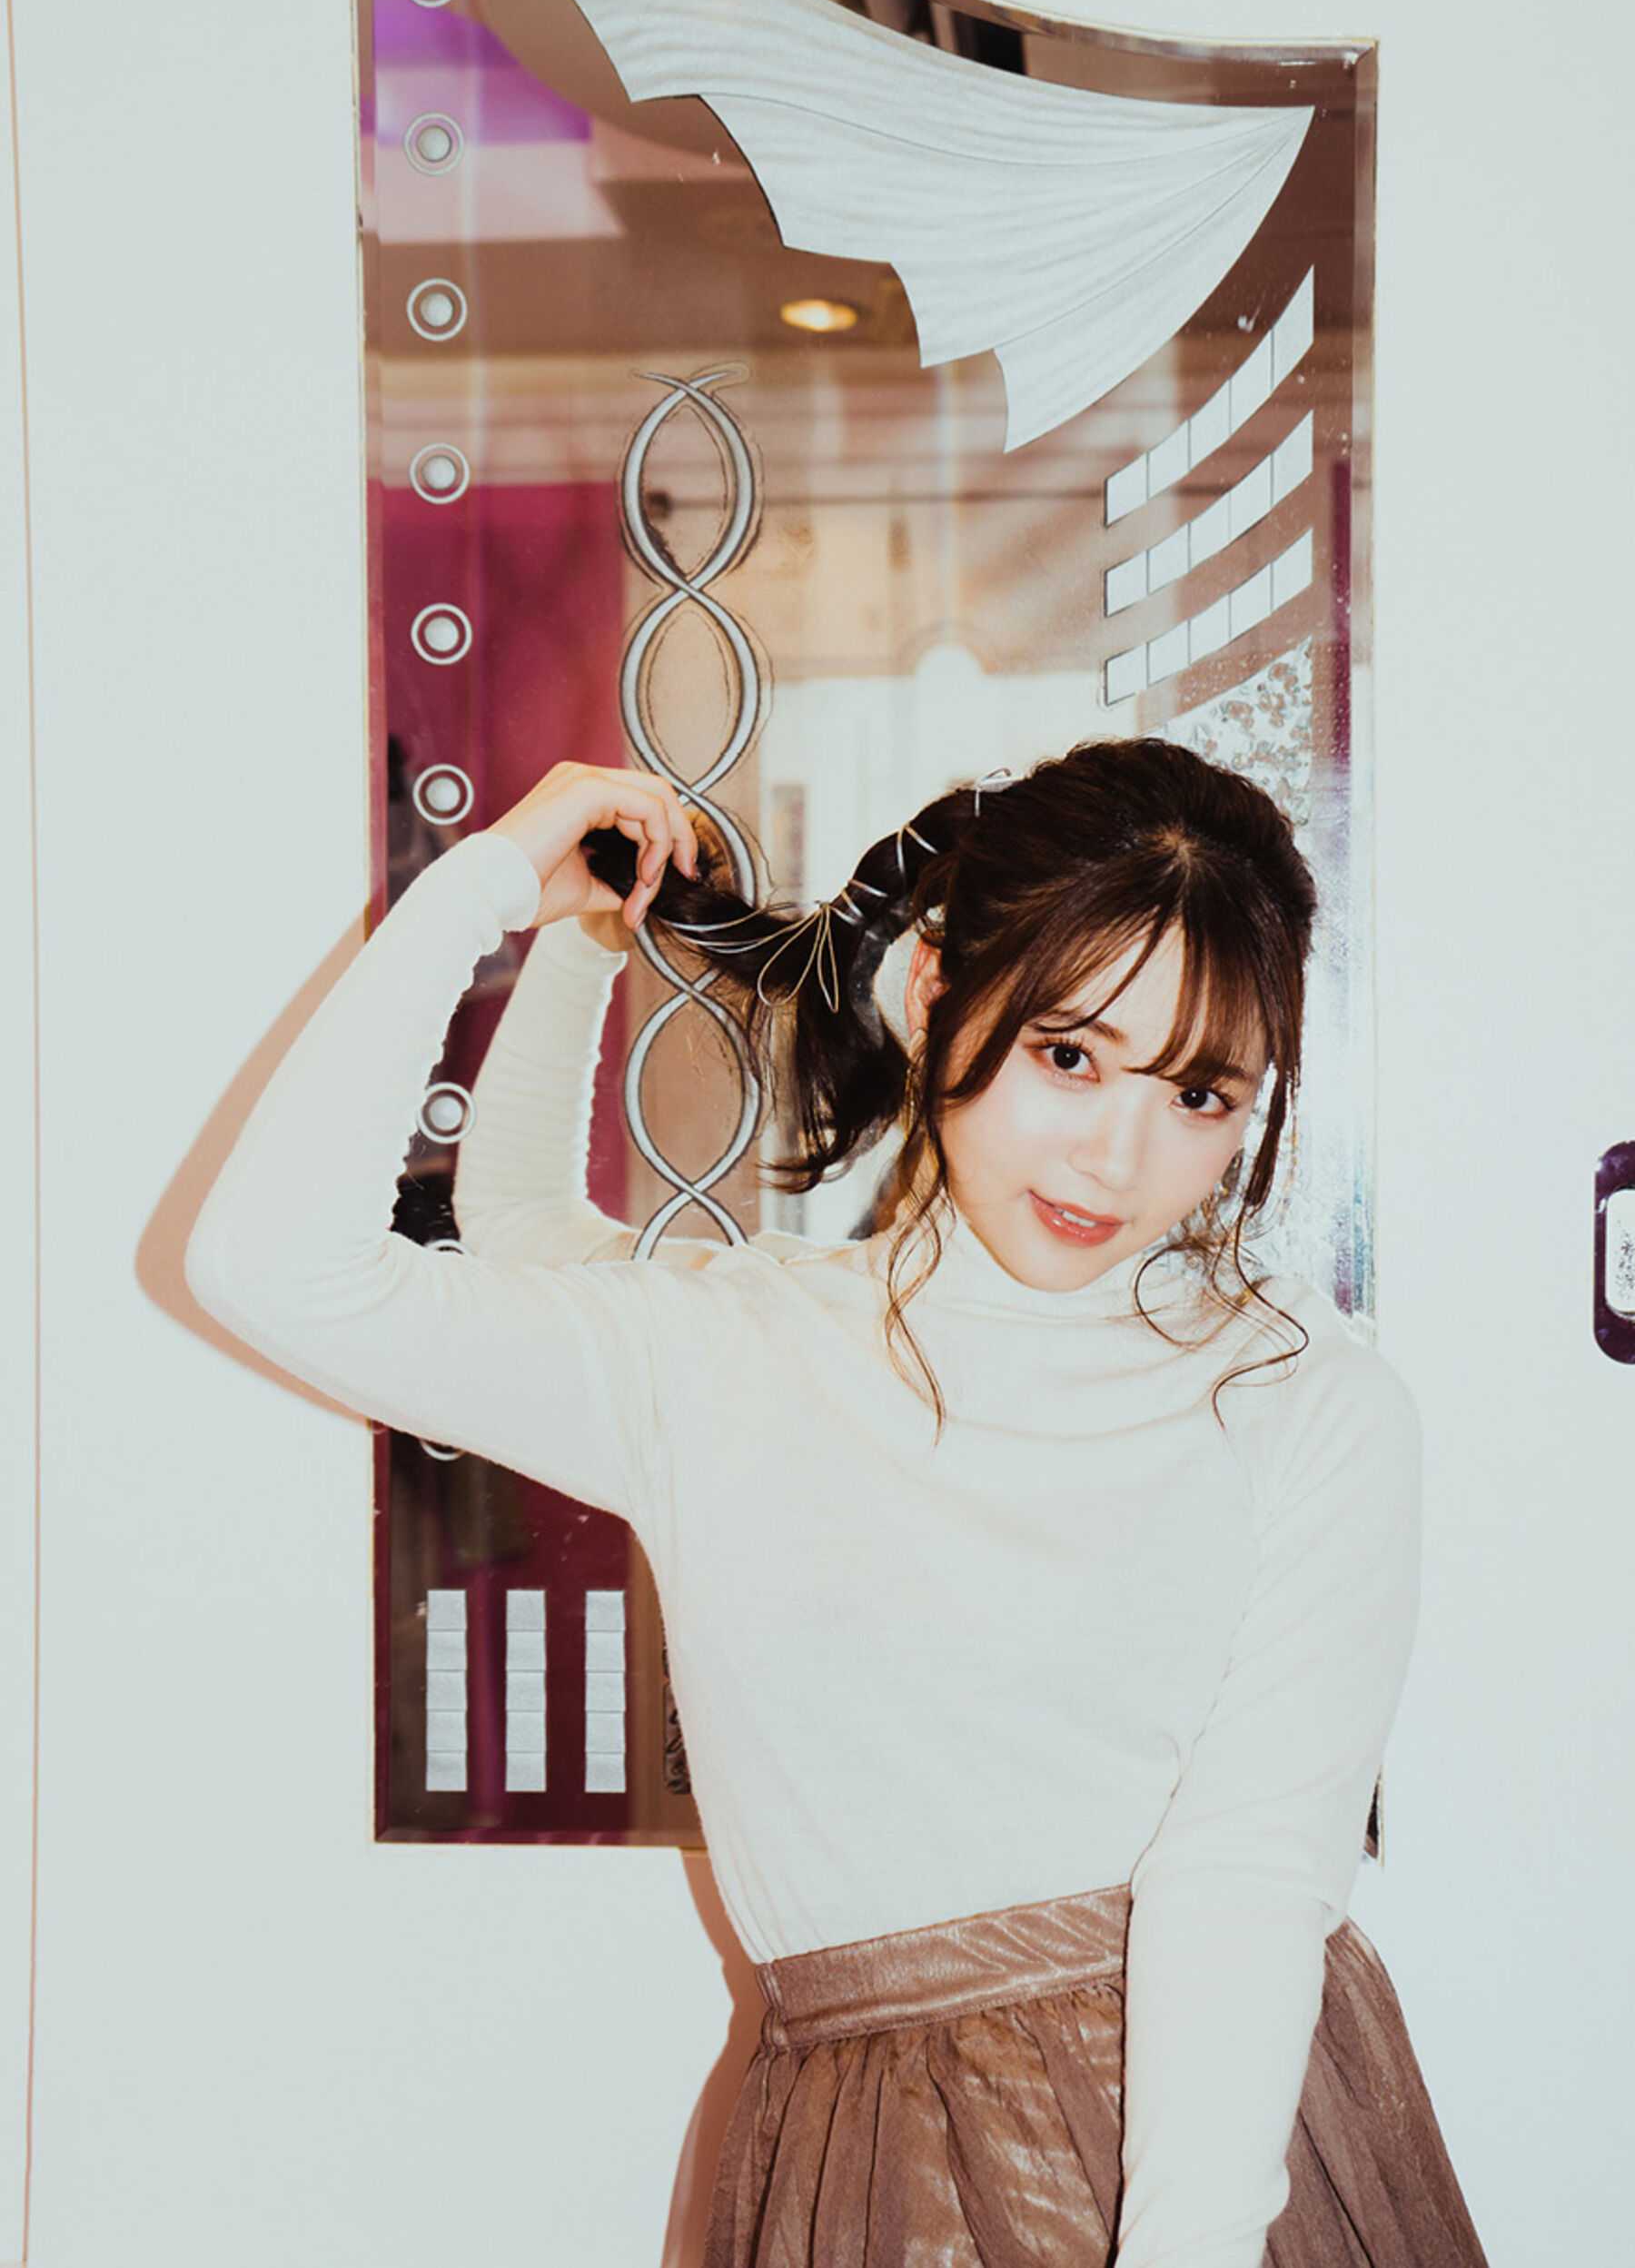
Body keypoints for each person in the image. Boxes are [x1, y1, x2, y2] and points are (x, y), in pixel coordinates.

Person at [183, 739, 1489, 2266]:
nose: (1119, 1155)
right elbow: (315, 1261)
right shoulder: (736, 1351)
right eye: (1070, 1055)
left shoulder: (1307, 1405)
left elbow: (1248, 1884)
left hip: (1215, 2155)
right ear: (934, 993)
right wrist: (520, 901)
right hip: (857, 2161)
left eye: (1198, 1091)